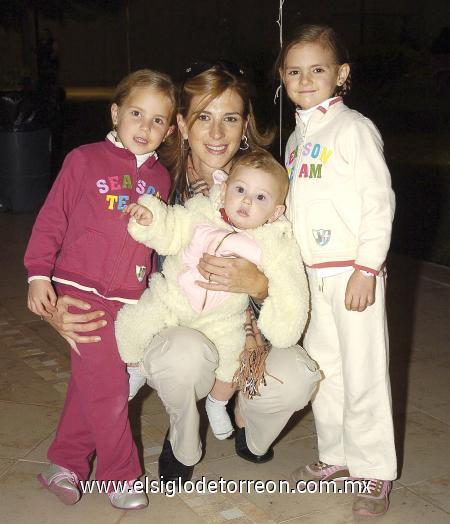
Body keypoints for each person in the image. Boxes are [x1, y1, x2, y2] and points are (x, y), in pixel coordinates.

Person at [42, 61, 321, 485]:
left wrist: (256, 285)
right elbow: (90, 251)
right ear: (180, 125)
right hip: (177, 326)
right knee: (181, 357)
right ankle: (182, 436)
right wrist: (58, 303)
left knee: (298, 375)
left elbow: (288, 277)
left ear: (245, 125)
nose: (216, 133)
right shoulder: (153, 182)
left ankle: (251, 428)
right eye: (203, 117)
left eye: (229, 118)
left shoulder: (267, 181)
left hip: (243, 336)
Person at [24, 69, 176, 509]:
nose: (145, 128)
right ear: (115, 113)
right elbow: (52, 218)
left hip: (128, 300)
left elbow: (160, 240)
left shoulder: (161, 181)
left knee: (92, 383)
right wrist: (38, 273)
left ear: (169, 129)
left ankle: (64, 465)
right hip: (80, 291)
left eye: (158, 120)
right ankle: (121, 474)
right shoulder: (83, 160)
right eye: (136, 114)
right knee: (109, 386)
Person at [277, 25, 397, 517]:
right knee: (325, 370)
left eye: (318, 69)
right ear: (282, 77)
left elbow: (378, 202)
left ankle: (373, 469)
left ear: (341, 74)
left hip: (352, 271)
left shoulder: (354, 128)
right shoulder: (296, 138)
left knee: (364, 370)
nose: (305, 79)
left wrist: (367, 267)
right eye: (294, 71)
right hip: (312, 275)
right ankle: (337, 455)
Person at [116, 149, 310, 441]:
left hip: (223, 319)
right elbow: (171, 227)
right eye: (241, 190)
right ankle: (135, 370)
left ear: (276, 211)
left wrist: (271, 302)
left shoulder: (272, 241)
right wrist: (151, 218)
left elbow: (289, 285)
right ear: (226, 188)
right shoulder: (201, 211)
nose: (246, 200)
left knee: (232, 360)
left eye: (261, 198)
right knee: (134, 321)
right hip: (173, 301)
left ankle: (218, 404)